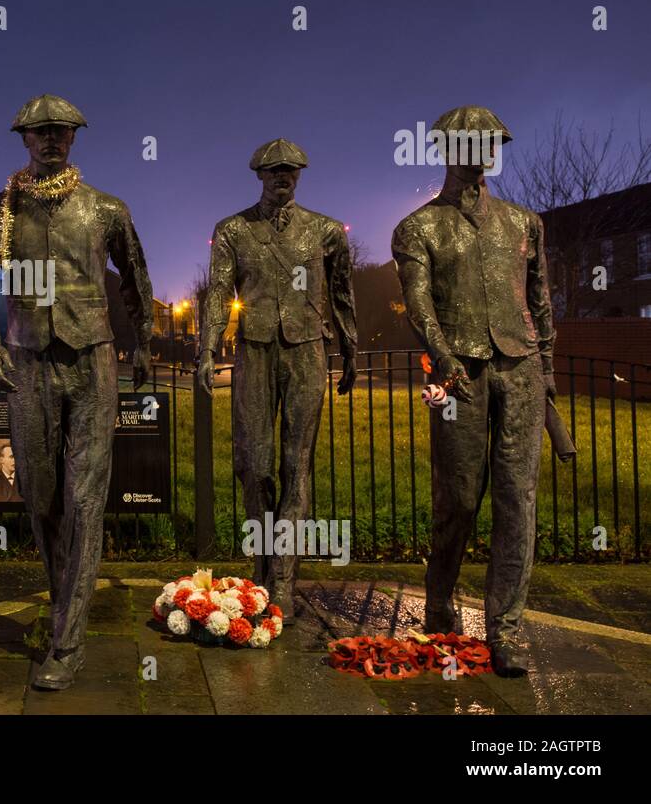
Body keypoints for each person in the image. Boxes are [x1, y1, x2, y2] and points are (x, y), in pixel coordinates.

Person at [0, 93, 153, 691]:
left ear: (75, 138)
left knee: (86, 499)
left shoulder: (106, 210)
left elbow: (137, 279)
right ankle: (61, 602)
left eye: (62, 131)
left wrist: (145, 341)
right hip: (27, 363)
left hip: (92, 362)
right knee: (40, 495)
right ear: (24, 137)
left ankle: (67, 639)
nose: (51, 138)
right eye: (41, 131)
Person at [391, 105, 554, 677]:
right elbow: (419, 304)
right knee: (459, 497)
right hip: (459, 375)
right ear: (446, 147)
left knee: (518, 500)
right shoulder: (418, 228)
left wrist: (547, 370)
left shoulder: (525, 223)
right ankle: (439, 600)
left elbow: (540, 303)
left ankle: (505, 629)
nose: (483, 148)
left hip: (521, 369)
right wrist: (443, 356)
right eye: (470, 139)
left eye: (489, 139)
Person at [197, 139, 358, 623]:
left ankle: (283, 575)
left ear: (300, 174)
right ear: (259, 174)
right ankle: (260, 563)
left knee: (297, 464)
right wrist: (205, 348)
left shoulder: (326, 231)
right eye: (273, 170)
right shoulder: (233, 231)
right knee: (255, 464)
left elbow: (343, 293)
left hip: (307, 349)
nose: (282, 176)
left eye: (290, 169)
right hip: (255, 348)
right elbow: (217, 294)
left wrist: (350, 347)